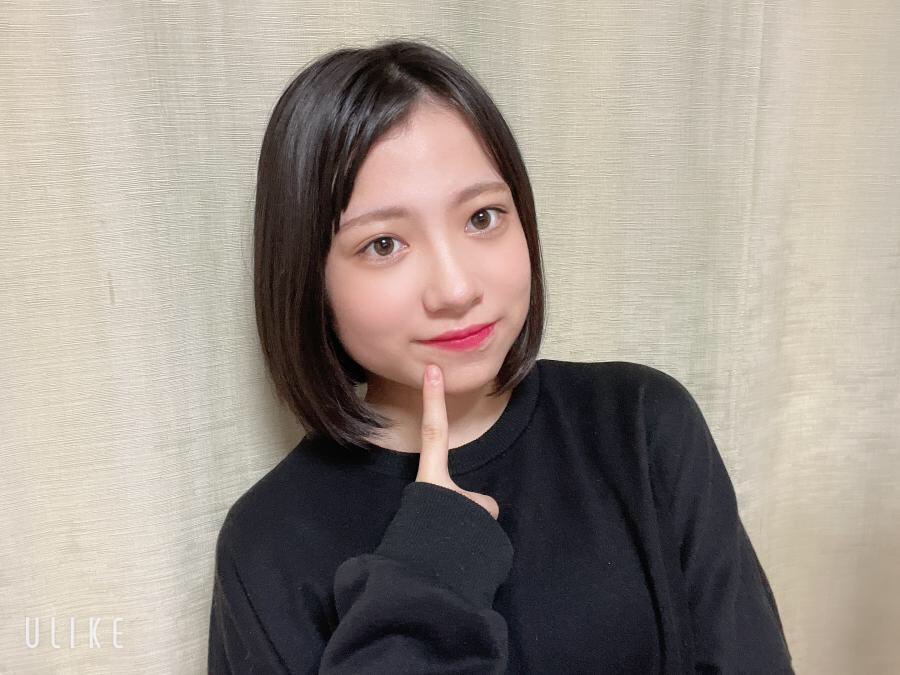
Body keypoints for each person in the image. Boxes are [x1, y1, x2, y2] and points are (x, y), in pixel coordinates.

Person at [207, 38, 794, 674]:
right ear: (307, 278)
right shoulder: (268, 541)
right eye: (383, 245)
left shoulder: (641, 425)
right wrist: (429, 572)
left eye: (483, 217)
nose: (457, 288)